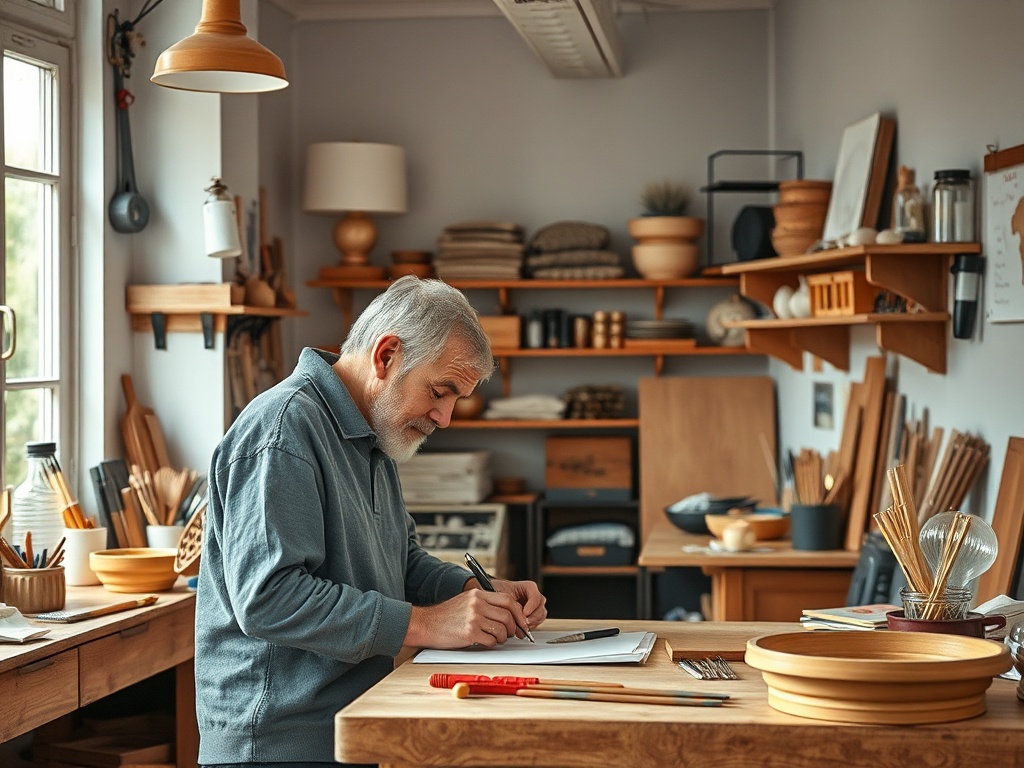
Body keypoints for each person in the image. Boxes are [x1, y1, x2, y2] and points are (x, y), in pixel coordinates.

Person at [195, 276, 547, 766]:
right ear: (386, 356)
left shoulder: (375, 439)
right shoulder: (283, 431)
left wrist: (475, 591)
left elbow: (399, 564)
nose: (444, 418)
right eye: (440, 391)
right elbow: (268, 599)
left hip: (354, 720)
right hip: (279, 743)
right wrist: (425, 624)